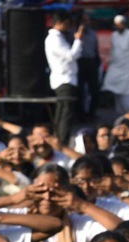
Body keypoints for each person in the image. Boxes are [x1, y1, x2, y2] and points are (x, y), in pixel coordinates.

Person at [45, 11, 84, 146]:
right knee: (65, 115)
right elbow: (71, 56)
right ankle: (62, 143)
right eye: (68, 24)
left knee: (63, 113)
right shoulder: (55, 39)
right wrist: (78, 40)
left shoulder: (59, 38)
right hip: (63, 80)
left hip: (66, 79)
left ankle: (59, 141)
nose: (69, 27)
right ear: (60, 23)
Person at [104, 17, 129, 117]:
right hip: (116, 67)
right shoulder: (114, 35)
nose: (118, 27)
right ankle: (122, 117)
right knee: (117, 94)